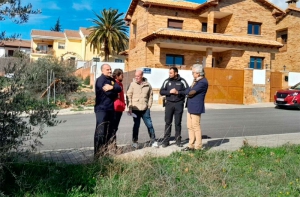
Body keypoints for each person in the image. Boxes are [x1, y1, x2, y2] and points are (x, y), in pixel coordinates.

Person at [94, 64, 121, 157]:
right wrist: (115, 93)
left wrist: (112, 87)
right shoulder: (100, 80)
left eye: (110, 69)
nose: (109, 71)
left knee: (109, 131)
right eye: (107, 69)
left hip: (110, 109)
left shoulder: (112, 80)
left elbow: (119, 88)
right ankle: (98, 154)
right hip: (102, 109)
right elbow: (110, 94)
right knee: (100, 132)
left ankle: (105, 152)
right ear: (102, 71)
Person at [126, 70, 158, 148]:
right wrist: (129, 107)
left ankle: (153, 141)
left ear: (142, 76)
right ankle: (135, 141)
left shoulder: (148, 85)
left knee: (149, 125)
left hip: (145, 109)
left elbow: (150, 96)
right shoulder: (132, 84)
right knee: (136, 125)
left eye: (138, 76)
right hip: (135, 109)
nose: (136, 77)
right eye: (135, 76)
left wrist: (149, 105)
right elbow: (128, 96)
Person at [159, 66, 189, 148]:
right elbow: (161, 91)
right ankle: (166, 141)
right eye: (169, 73)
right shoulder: (167, 81)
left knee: (178, 123)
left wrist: (178, 92)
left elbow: (187, 90)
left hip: (179, 104)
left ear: (176, 73)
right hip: (169, 104)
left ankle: (178, 140)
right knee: (168, 122)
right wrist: (169, 92)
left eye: (171, 73)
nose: (169, 74)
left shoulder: (182, 81)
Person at [182, 63, 208, 151]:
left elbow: (191, 92)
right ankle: (191, 145)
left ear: (198, 73)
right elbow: (188, 90)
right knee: (190, 126)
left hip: (196, 107)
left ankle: (198, 146)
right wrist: (186, 92)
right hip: (190, 106)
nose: (192, 74)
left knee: (196, 126)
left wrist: (187, 93)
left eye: (193, 72)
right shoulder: (196, 81)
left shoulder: (203, 82)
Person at [112, 68, 126, 149]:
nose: (123, 76)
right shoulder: (114, 83)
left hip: (120, 108)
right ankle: (113, 146)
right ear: (117, 76)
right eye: (121, 75)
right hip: (115, 108)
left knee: (115, 128)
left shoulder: (120, 84)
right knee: (113, 128)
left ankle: (113, 145)